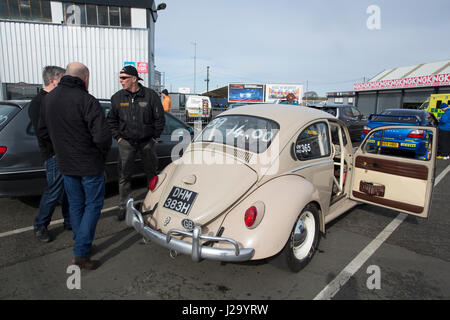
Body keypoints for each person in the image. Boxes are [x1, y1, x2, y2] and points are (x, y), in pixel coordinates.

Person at [39, 62, 112, 270]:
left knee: (76, 205)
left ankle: (81, 244)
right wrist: (100, 154)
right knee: (93, 205)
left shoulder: (49, 99)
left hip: (66, 163)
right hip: (89, 164)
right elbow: (103, 137)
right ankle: (81, 253)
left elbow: (43, 131)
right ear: (85, 78)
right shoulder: (87, 100)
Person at [107, 65, 165, 221]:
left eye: (124, 78)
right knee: (124, 176)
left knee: (152, 174)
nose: (121, 81)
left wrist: (154, 137)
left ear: (134, 79)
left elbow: (160, 119)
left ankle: (151, 205)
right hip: (126, 143)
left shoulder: (150, 96)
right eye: (120, 78)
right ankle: (123, 206)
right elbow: (111, 121)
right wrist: (118, 138)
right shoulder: (117, 98)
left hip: (147, 142)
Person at [28, 66, 70, 243]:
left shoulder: (56, 99)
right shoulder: (40, 102)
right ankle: (40, 226)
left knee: (69, 190)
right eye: (62, 79)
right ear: (53, 80)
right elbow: (43, 132)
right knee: (53, 192)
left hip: (65, 153)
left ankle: (70, 221)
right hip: (54, 155)